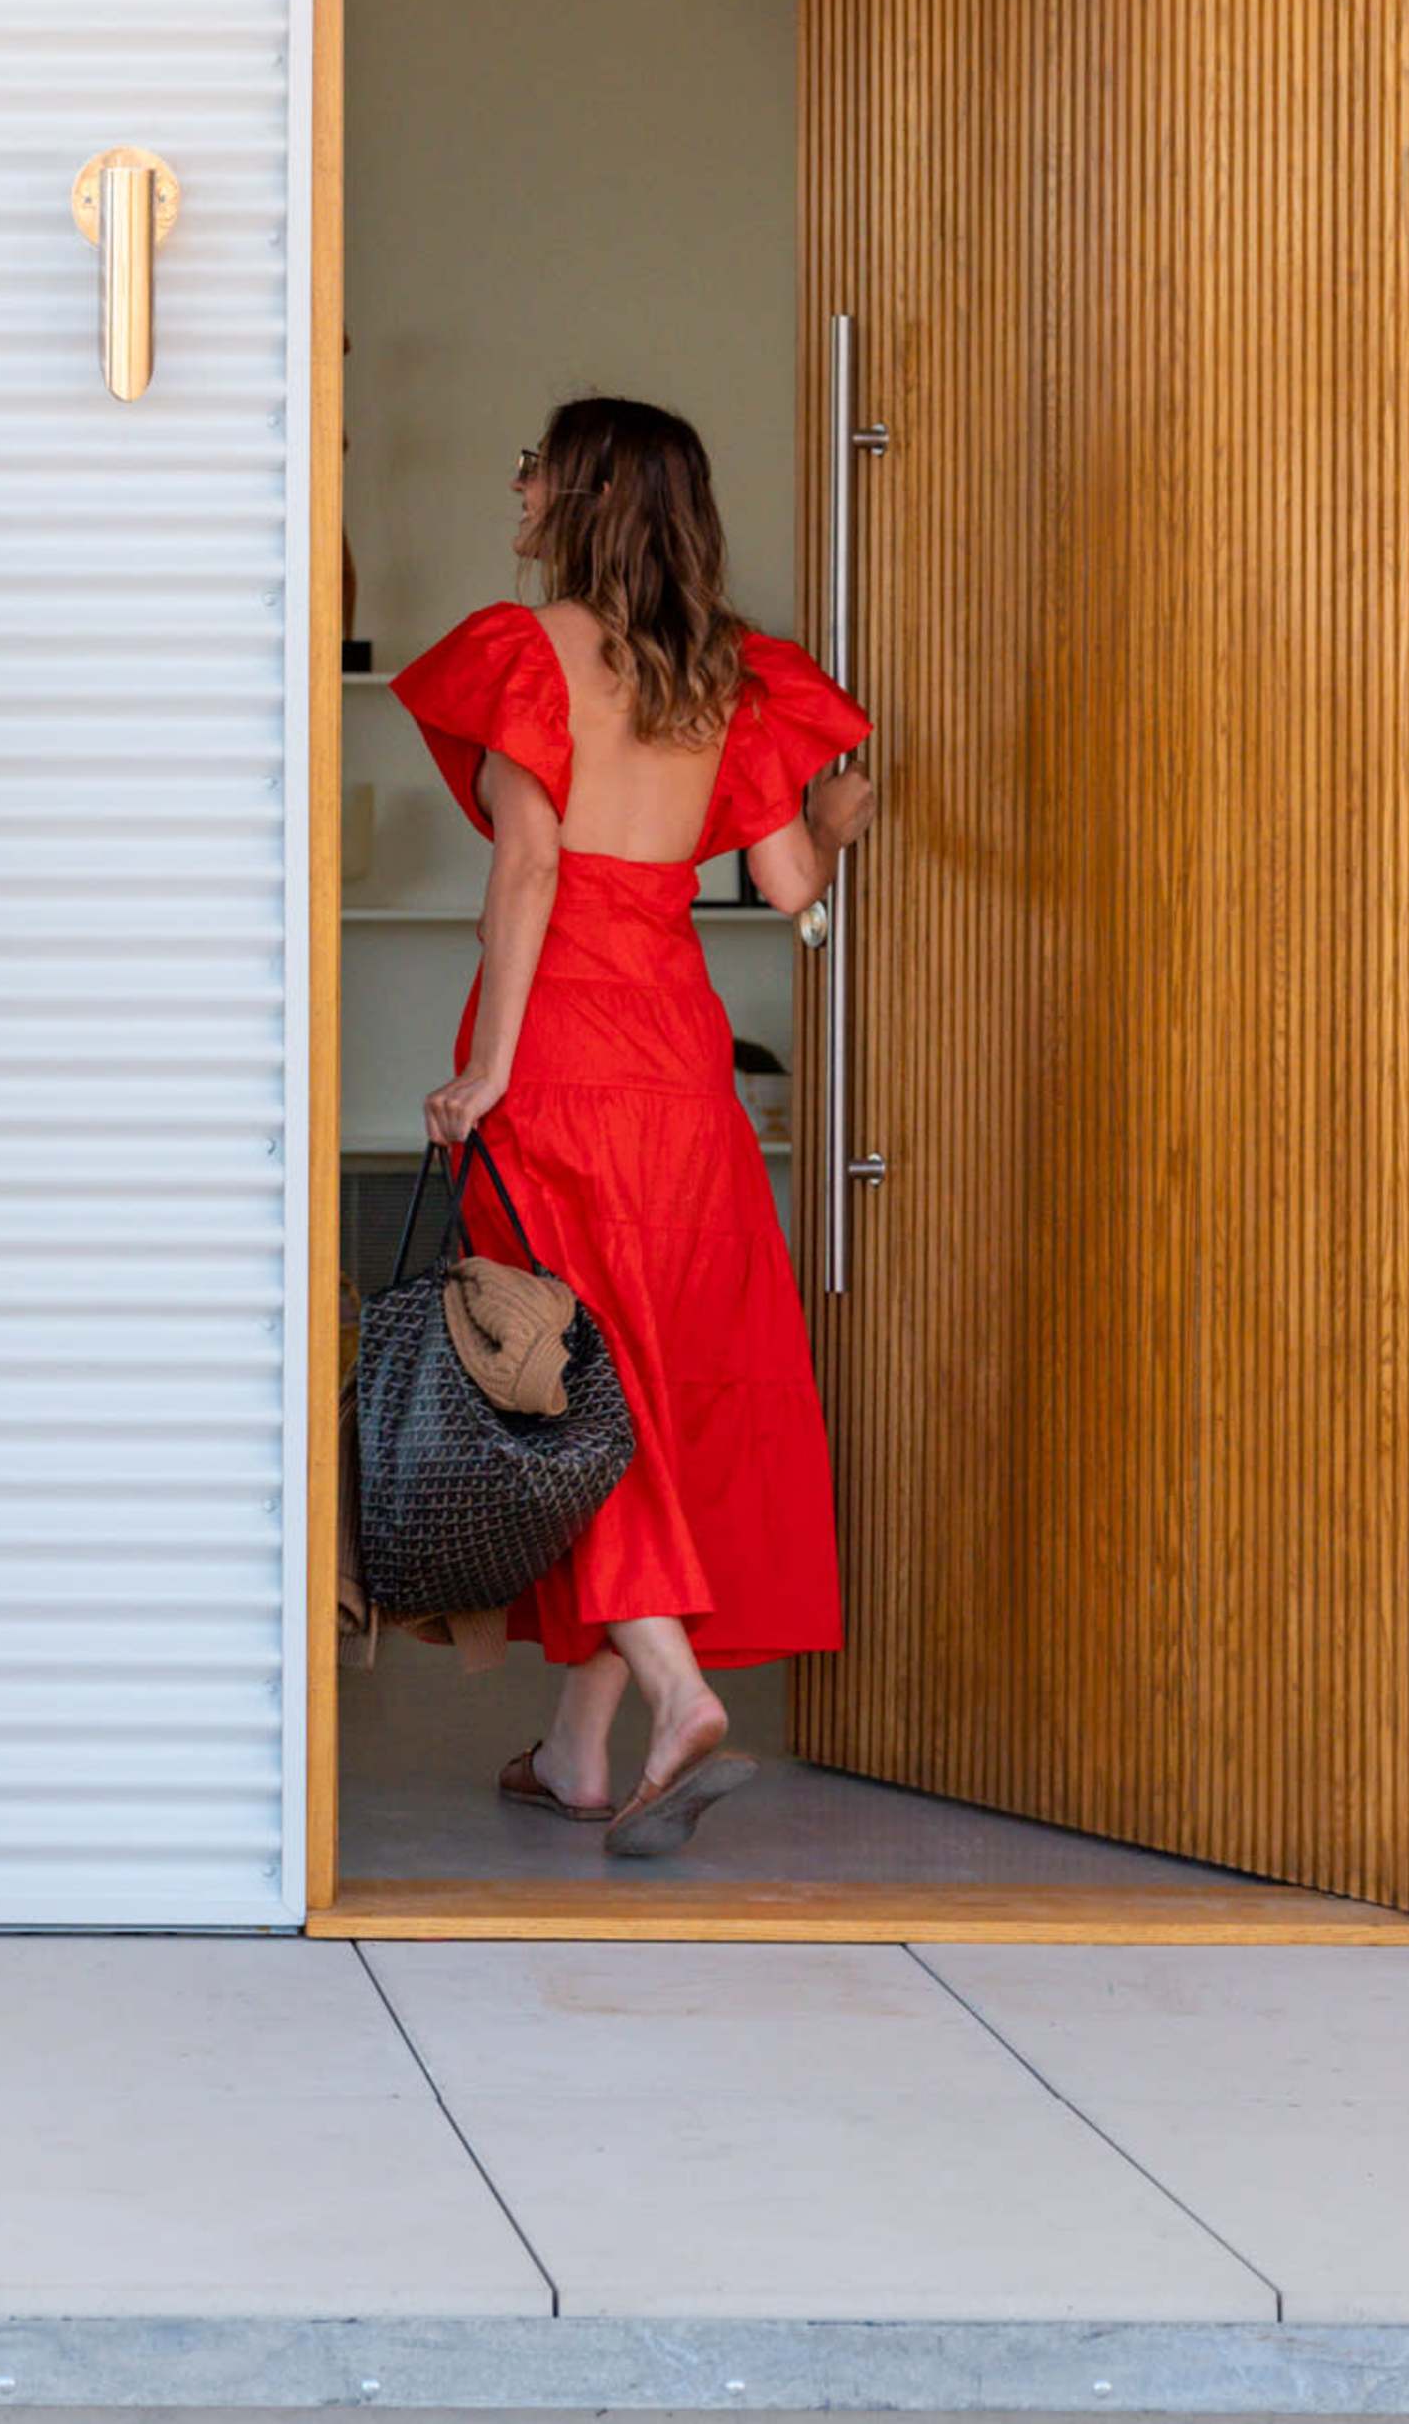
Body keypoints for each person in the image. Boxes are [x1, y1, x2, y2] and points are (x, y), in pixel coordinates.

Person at [390, 396, 877, 1858]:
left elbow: (530, 859)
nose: (520, 481)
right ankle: (578, 1755)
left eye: (535, 460)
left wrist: (487, 1072)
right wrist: (839, 817)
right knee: (646, 1391)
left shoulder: (523, 652)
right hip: (683, 1070)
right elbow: (792, 884)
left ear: (584, 492)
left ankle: (674, 1693)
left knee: (563, 1389)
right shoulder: (725, 675)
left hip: (561, 1059)